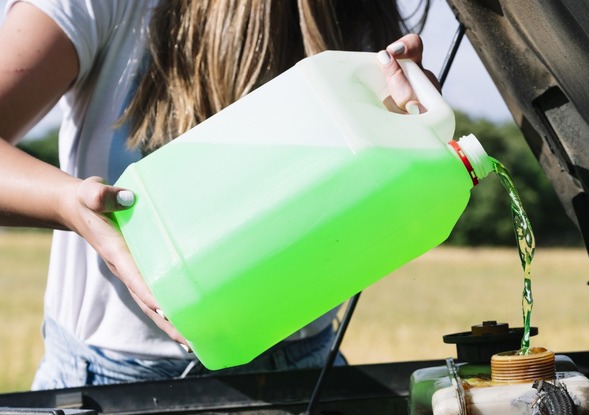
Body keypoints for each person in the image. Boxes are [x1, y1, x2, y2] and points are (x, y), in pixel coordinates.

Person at [0, 0, 434, 389]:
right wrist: (69, 204)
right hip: (113, 384)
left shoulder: (356, 12)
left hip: (308, 373)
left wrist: (410, 141)